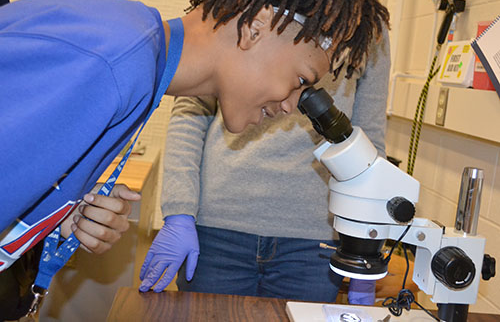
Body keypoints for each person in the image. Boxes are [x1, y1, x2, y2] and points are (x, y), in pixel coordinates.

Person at [1, 0, 387, 279]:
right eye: (300, 80)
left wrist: (60, 216)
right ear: (258, 26)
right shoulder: (112, 62)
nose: (290, 106)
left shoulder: (137, 62)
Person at [139, 25, 391, 305]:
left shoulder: (367, 24)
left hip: (313, 242)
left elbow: (370, 143)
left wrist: (366, 247)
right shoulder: (249, 8)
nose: (287, 105)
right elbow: (190, 113)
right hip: (217, 229)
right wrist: (179, 212)